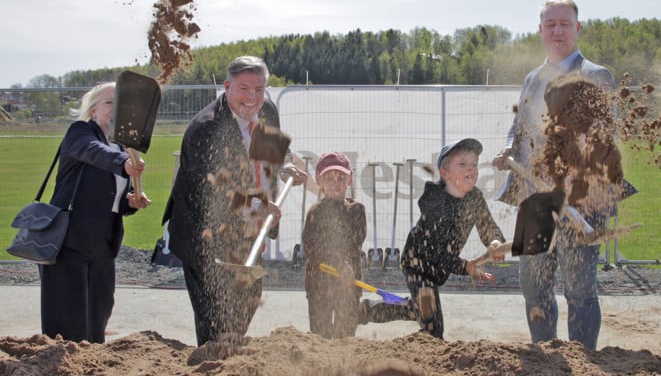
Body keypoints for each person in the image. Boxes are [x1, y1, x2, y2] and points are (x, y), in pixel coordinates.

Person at [492, 0, 616, 350]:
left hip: (580, 204)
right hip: (535, 202)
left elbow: (605, 138)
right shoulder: (533, 79)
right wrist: (509, 149)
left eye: (564, 23)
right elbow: (519, 127)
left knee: (579, 290)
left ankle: (582, 360)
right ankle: (544, 357)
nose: (557, 30)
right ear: (540, 30)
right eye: (551, 24)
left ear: (577, 28)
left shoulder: (595, 75)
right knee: (534, 288)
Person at [164, 56, 307, 346]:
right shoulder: (207, 128)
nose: (252, 98)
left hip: (247, 232)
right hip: (206, 236)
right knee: (214, 318)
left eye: (259, 89)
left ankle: (230, 353)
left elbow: (273, 154)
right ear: (227, 87)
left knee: (248, 299)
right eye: (244, 89)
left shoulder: (267, 110)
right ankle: (213, 358)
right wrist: (258, 207)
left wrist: (285, 166)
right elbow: (214, 192)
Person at [361, 138, 506, 339]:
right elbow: (435, 253)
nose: (471, 169)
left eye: (474, 164)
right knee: (433, 329)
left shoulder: (475, 198)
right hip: (417, 264)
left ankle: (369, 310)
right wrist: (465, 267)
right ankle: (374, 316)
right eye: (463, 164)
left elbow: (488, 227)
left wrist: (495, 242)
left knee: (422, 314)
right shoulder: (436, 202)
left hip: (438, 269)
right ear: (444, 173)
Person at [39, 82, 150, 343]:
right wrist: (122, 163)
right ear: (93, 110)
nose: (117, 109)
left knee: (98, 311)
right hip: (70, 239)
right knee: (67, 315)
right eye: (110, 103)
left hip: (103, 241)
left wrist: (129, 203)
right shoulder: (80, 132)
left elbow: (112, 197)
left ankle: (91, 364)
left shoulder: (122, 145)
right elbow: (94, 153)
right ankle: (62, 365)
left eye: (122, 104)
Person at [302, 151, 367, 338]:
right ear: (319, 181)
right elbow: (311, 249)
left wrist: (344, 268)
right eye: (329, 178)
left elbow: (354, 244)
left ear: (350, 180)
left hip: (347, 285)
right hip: (318, 286)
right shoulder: (315, 212)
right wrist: (338, 264)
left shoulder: (356, 210)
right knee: (320, 336)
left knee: (344, 337)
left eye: (340, 177)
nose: (335, 183)